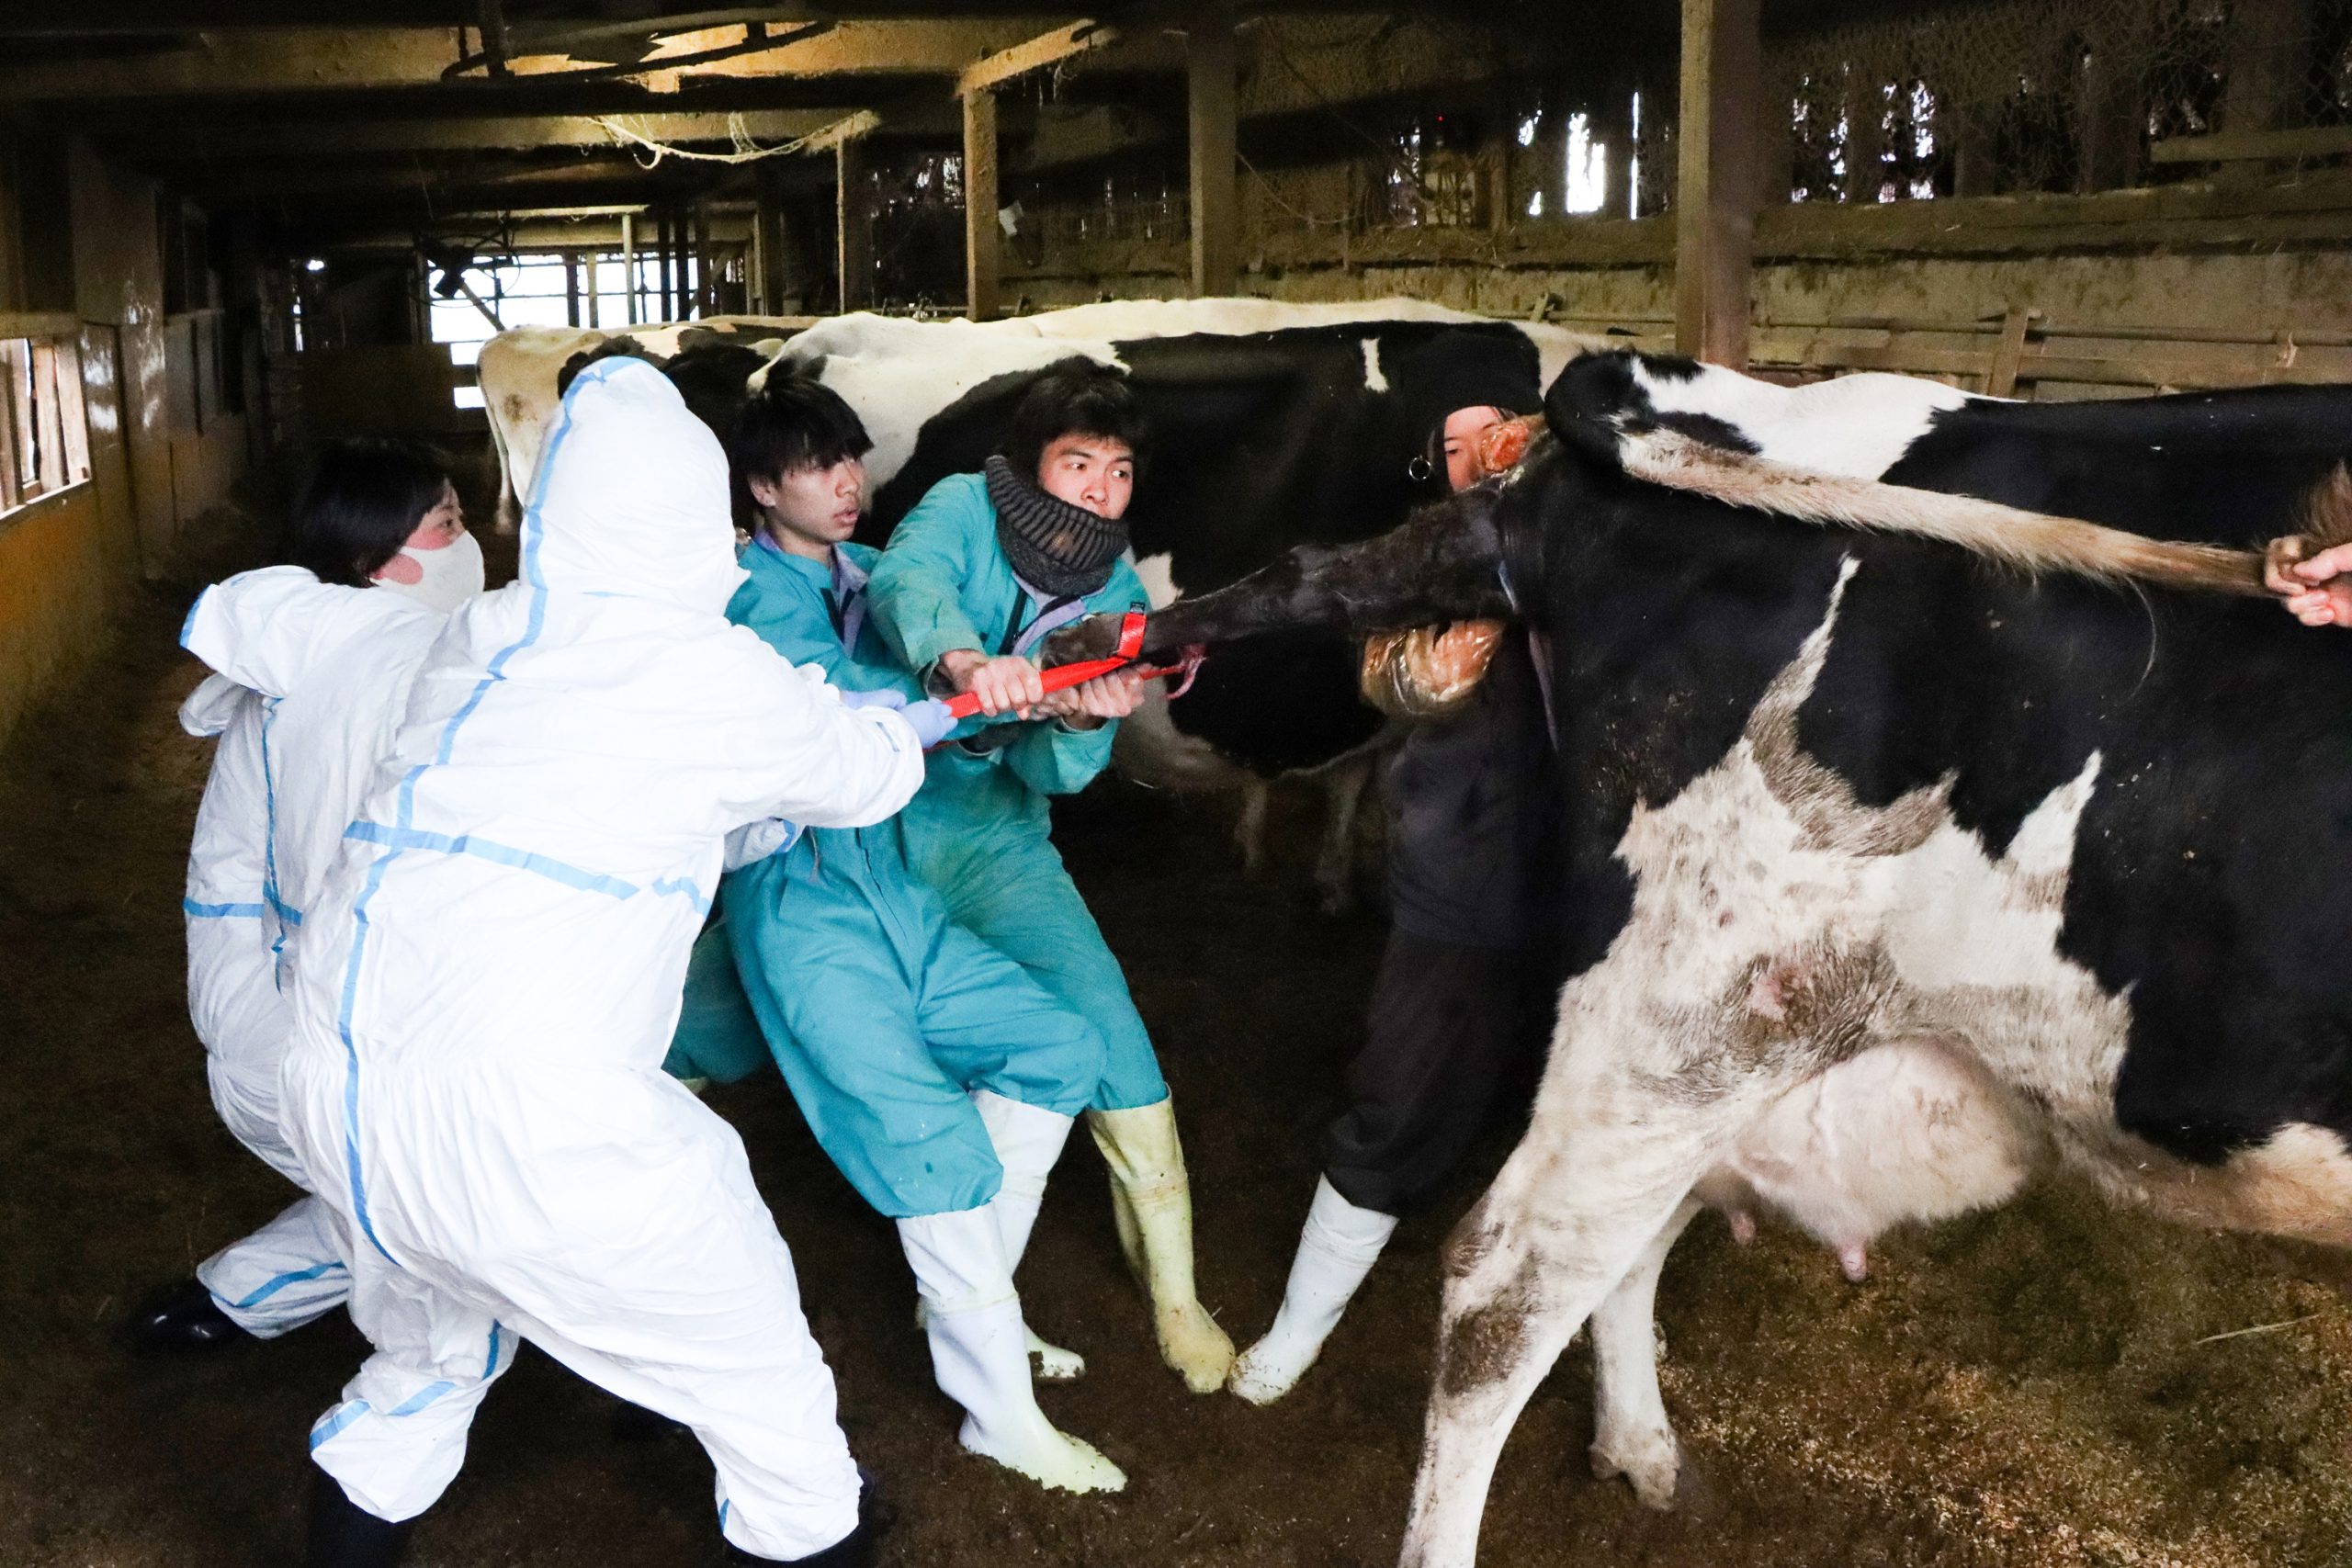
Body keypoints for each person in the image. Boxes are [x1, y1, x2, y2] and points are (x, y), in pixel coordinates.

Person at [268, 357, 950, 1567]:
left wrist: (766, 791)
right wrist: (945, 708)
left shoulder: (483, 636)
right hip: (534, 1120)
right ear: (699, 523)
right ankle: (813, 1530)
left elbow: (616, 801)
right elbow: (868, 771)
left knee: (429, 1355)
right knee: (766, 1386)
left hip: (339, 1083)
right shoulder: (705, 669)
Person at [691, 373, 1124, 1493]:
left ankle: (977, 1304)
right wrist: (985, 677)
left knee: (1057, 1046)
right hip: (799, 897)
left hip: (899, 880)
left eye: (853, 461)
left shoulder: (880, 578)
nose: (848, 484)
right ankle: (998, 1408)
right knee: (931, 1142)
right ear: (757, 487)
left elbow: (984, 727)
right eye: (817, 466)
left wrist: (1065, 707)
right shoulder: (739, 594)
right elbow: (845, 711)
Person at [863, 363, 1235, 1394]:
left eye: (1118, 472)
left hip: (995, 836)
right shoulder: (958, 505)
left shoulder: (1115, 594)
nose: (1099, 491)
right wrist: (963, 663)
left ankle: (1174, 1289)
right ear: (1033, 463)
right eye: (1078, 462)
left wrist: (1078, 723)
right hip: (872, 821)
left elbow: (1050, 775)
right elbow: (907, 583)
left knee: (1109, 1026)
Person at [1227, 387, 1557, 1405]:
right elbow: (1398, 684)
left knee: (1576, 1105)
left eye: (1496, 432)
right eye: (1450, 446)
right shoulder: (1418, 579)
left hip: (1591, 891)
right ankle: (1298, 1326)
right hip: (1466, 881)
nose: (1475, 452)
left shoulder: (1596, 553)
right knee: (1401, 1094)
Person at [137, 441, 480, 1352]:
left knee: (404, 1192)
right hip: (340, 1028)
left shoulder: (305, 671)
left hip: (311, 1014)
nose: (470, 540)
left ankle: (233, 1299)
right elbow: (238, 857)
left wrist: (235, 1002)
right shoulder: (399, 681)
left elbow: (223, 862)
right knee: (462, 1201)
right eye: (446, 523)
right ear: (375, 561)